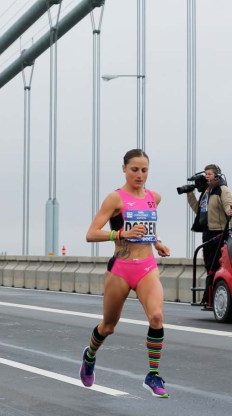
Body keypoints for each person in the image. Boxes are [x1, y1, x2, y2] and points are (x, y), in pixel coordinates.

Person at [80, 149, 171, 398]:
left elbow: (148, 225)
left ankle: (153, 375)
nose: (140, 175)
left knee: (156, 317)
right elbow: (91, 233)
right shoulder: (115, 198)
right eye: (134, 170)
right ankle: (89, 356)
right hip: (121, 268)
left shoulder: (155, 197)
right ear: (124, 169)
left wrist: (158, 241)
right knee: (108, 326)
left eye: (144, 170)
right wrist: (120, 234)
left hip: (147, 268)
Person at [186, 164, 232, 305]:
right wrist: (189, 193)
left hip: (220, 233)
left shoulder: (222, 190)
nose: (207, 176)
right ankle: (210, 296)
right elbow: (199, 211)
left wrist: (229, 210)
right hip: (207, 233)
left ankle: (211, 296)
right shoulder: (206, 192)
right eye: (206, 173)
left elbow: (228, 203)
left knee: (216, 265)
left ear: (217, 175)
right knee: (208, 264)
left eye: (210, 174)